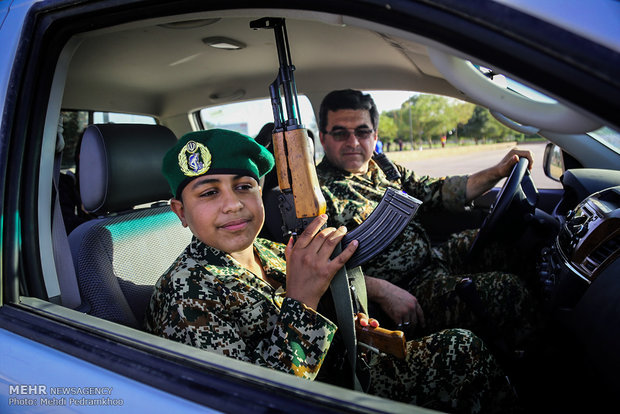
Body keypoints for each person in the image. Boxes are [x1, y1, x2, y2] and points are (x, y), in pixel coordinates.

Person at [145, 128, 519, 413]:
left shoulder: (272, 253)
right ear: (180, 211)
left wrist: (347, 320)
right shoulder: (185, 293)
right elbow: (249, 400)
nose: (232, 205)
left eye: (244, 187)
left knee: (464, 346)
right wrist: (303, 302)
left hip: (347, 370)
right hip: (321, 398)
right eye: (209, 193)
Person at [316, 89, 540, 354]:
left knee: (511, 241)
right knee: (509, 291)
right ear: (323, 138)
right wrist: (379, 289)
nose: (353, 141)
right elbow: (318, 269)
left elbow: (439, 191)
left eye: (362, 132)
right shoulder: (317, 194)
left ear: (374, 135)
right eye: (341, 133)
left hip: (434, 260)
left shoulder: (387, 169)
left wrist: (498, 172)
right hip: (407, 291)